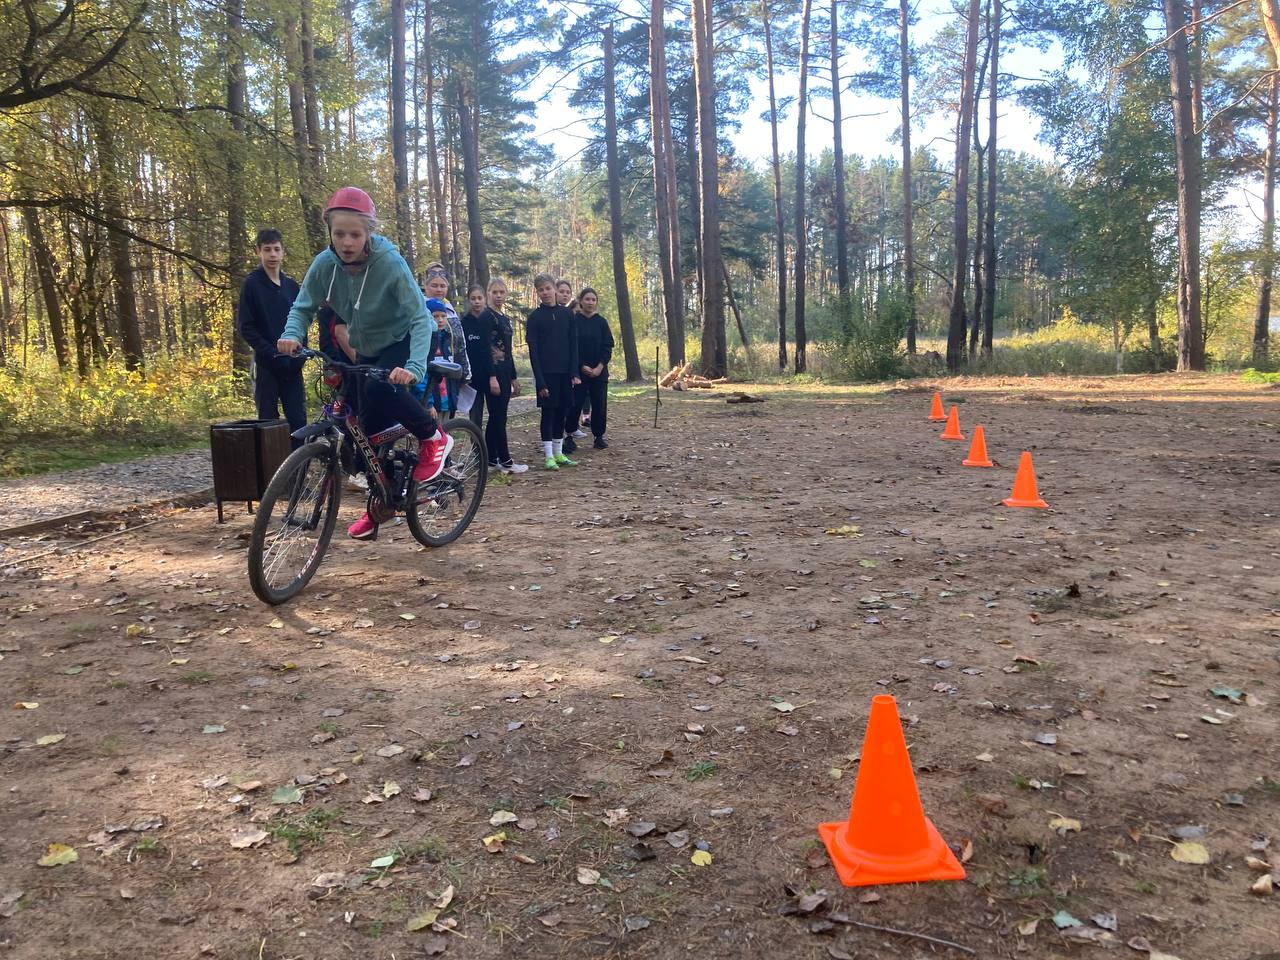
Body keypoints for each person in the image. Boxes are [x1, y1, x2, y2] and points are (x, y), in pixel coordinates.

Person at [276, 186, 453, 541]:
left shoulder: (389, 263)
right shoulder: (325, 264)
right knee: (360, 438)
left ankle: (433, 436)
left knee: (380, 387)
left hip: (401, 340)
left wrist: (414, 368)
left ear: (368, 232)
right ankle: (381, 504)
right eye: (339, 233)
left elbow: (420, 318)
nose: (346, 241)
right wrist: (292, 335)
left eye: (355, 234)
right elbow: (304, 305)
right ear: (329, 231)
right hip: (363, 347)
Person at [237, 228, 306, 442]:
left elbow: (302, 319)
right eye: (267, 250)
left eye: (276, 249)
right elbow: (245, 327)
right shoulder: (252, 284)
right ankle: (272, 471)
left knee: (298, 420)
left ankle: (298, 470)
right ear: (259, 251)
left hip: (293, 365)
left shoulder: (292, 287)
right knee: (268, 422)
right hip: (266, 365)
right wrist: (270, 352)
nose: (273, 255)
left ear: (283, 252)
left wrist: (301, 352)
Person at [526, 272, 579, 470]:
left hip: (565, 374)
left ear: (555, 289)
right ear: (537, 293)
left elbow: (573, 344)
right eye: (541, 290)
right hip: (546, 374)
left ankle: (559, 453)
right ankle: (548, 455)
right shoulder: (535, 318)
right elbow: (534, 351)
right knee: (548, 413)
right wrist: (540, 381)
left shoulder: (567, 314)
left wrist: (574, 372)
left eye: (548, 288)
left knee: (562, 413)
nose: (546, 293)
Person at [481, 277, 527, 474]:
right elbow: (485, 349)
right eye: (495, 292)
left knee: (498, 417)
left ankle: (492, 460)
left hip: (506, 371)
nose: (498, 296)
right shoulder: (485, 316)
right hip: (493, 373)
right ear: (488, 293)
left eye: (502, 292)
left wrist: (514, 377)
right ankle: (505, 460)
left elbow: (508, 350)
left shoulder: (504, 319)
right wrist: (491, 377)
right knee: (498, 417)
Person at [421, 265, 472, 409]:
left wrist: (465, 372)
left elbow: (460, 343)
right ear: (426, 286)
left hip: (450, 372)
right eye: (434, 285)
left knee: (448, 414)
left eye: (443, 286)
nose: (439, 289)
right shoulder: (419, 308)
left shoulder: (449, 309)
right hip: (428, 373)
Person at [569, 287, 613, 449]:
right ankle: (570, 435)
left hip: (599, 372)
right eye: (587, 299)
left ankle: (598, 436)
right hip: (579, 372)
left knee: (599, 404)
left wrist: (600, 366)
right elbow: (572, 347)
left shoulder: (601, 322)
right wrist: (582, 366)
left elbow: (608, 346)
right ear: (581, 301)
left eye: (593, 300)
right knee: (575, 404)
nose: (590, 302)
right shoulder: (574, 321)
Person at [421, 297, 458, 419]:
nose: (440, 320)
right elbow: (421, 375)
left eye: (443, 316)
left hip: (447, 401)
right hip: (430, 401)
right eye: (435, 316)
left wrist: (454, 399)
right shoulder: (424, 341)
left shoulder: (448, 338)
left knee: (446, 434)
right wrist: (428, 403)